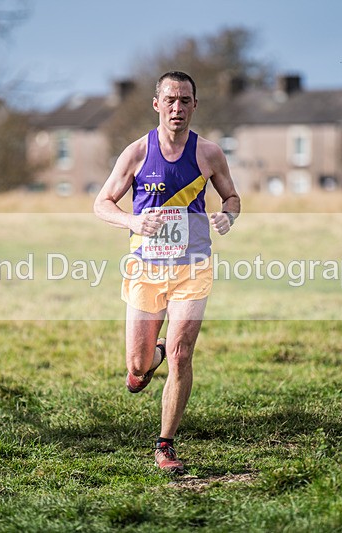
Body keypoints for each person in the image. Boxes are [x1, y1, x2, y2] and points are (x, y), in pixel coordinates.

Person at [94, 71, 241, 474]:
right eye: (170, 100)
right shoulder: (137, 152)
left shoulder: (209, 153)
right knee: (139, 365)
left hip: (193, 267)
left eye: (185, 101)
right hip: (146, 268)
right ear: (157, 104)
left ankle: (165, 445)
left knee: (181, 354)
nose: (177, 108)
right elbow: (102, 203)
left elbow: (231, 196)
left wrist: (228, 216)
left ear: (195, 106)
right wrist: (133, 222)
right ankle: (149, 358)